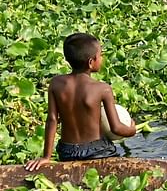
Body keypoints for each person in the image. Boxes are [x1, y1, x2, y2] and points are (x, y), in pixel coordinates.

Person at [24, 33, 136, 171]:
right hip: (96, 151)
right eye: (100, 55)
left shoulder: (56, 84)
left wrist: (46, 157)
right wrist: (132, 129)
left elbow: (52, 120)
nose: (101, 58)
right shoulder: (102, 89)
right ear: (91, 62)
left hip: (67, 151)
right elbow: (116, 128)